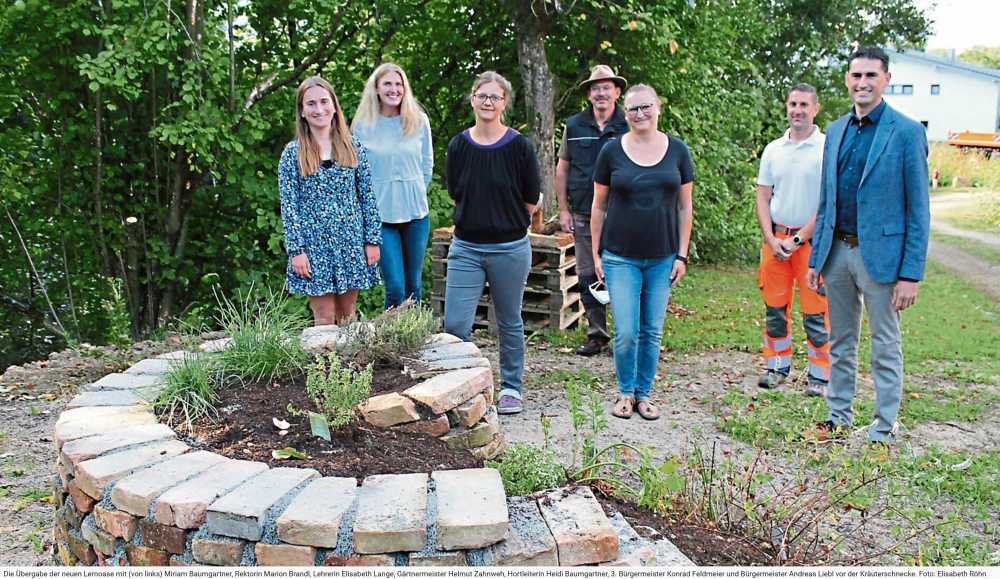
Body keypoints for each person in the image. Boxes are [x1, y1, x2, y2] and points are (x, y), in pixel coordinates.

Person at [807, 47, 930, 445]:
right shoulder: (837, 129)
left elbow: (918, 211)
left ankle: (883, 426)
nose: (862, 83)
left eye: (870, 76)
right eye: (856, 75)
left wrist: (910, 274)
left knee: (885, 344)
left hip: (882, 260)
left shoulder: (907, 132)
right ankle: (838, 415)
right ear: (847, 79)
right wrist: (817, 257)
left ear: (886, 80)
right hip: (837, 253)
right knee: (840, 341)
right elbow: (826, 199)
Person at [591, 84, 694, 421]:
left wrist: (681, 254)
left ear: (658, 107)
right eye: (633, 109)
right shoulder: (611, 152)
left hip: (663, 256)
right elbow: (598, 206)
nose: (640, 114)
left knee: (652, 330)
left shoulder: (678, 151)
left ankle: (644, 394)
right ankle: (624, 392)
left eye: (645, 107)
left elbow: (684, 207)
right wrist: (596, 254)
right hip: (620, 256)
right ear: (625, 113)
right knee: (625, 331)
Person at [443, 71, 541, 415]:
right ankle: (464, 385)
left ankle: (511, 386)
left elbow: (531, 198)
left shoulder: (519, 146)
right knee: (456, 323)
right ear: (472, 99)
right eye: (482, 96)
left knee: (509, 319)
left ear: (504, 103)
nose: (488, 102)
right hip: (466, 247)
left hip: (510, 248)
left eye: (495, 97)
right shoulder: (458, 145)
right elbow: (456, 192)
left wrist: (507, 221)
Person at [278, 76, 381, 325]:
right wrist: (297, 251)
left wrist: (372, 240)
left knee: (348, 316)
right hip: (314, 248)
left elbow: (368, 197)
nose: (319, 109)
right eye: (311, 104)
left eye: (324, 102)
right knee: (324, 317)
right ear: (302, 111)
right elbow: (289, 206)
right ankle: (325, 365)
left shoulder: (353, 147)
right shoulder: (293, 154)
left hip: (351, 242)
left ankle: (351, 365)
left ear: (334, 106)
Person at [755, 83, 830, 397]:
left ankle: (820, 376)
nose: (797, 110)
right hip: (776, 242)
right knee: (775, 308)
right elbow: (762, 196)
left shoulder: (827, 147)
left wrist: (798, 240)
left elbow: (828, 202)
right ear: (786, 107)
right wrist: (772, 239)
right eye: (793, 104)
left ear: (815, 108)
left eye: (804, 105)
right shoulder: (774, 149)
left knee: (816, 311)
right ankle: (776, 366)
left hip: (811, 245)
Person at [556, 65, 629, 357]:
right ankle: (597, 335)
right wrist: (563, 209)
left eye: (606, 87)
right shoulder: (573, 126)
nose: (601, 92)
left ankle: (627, 337)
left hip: (624, 214)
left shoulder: (630, 123)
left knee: (625, 275)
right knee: (588, 275)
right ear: (589, 94)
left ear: (617, 92)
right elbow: (563, 169)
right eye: (596, 88)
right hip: (584, 213)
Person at [352, 63, 434, 310]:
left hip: (415, 214)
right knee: (396, 286)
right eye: (387, 83)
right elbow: (357, 173)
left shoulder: (418, 121)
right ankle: (393, 337)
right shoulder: (363, 126)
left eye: (399, 84)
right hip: (381, 218)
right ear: (376, 88)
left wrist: (414, 190)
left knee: (414, 285)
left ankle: (414, 341)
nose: (394, 89)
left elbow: (426, 164)